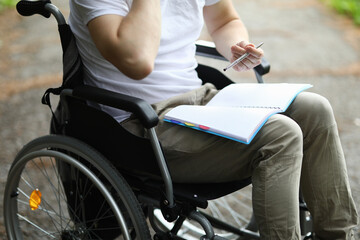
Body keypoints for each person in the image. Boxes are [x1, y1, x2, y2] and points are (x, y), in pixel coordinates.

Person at [68, 0, 358, 239]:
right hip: (140, 124)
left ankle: (336, 234)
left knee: (315, 109)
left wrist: (236, 43)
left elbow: (224, 20)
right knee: (280, 135)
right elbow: (137, 61)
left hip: (198, 98)